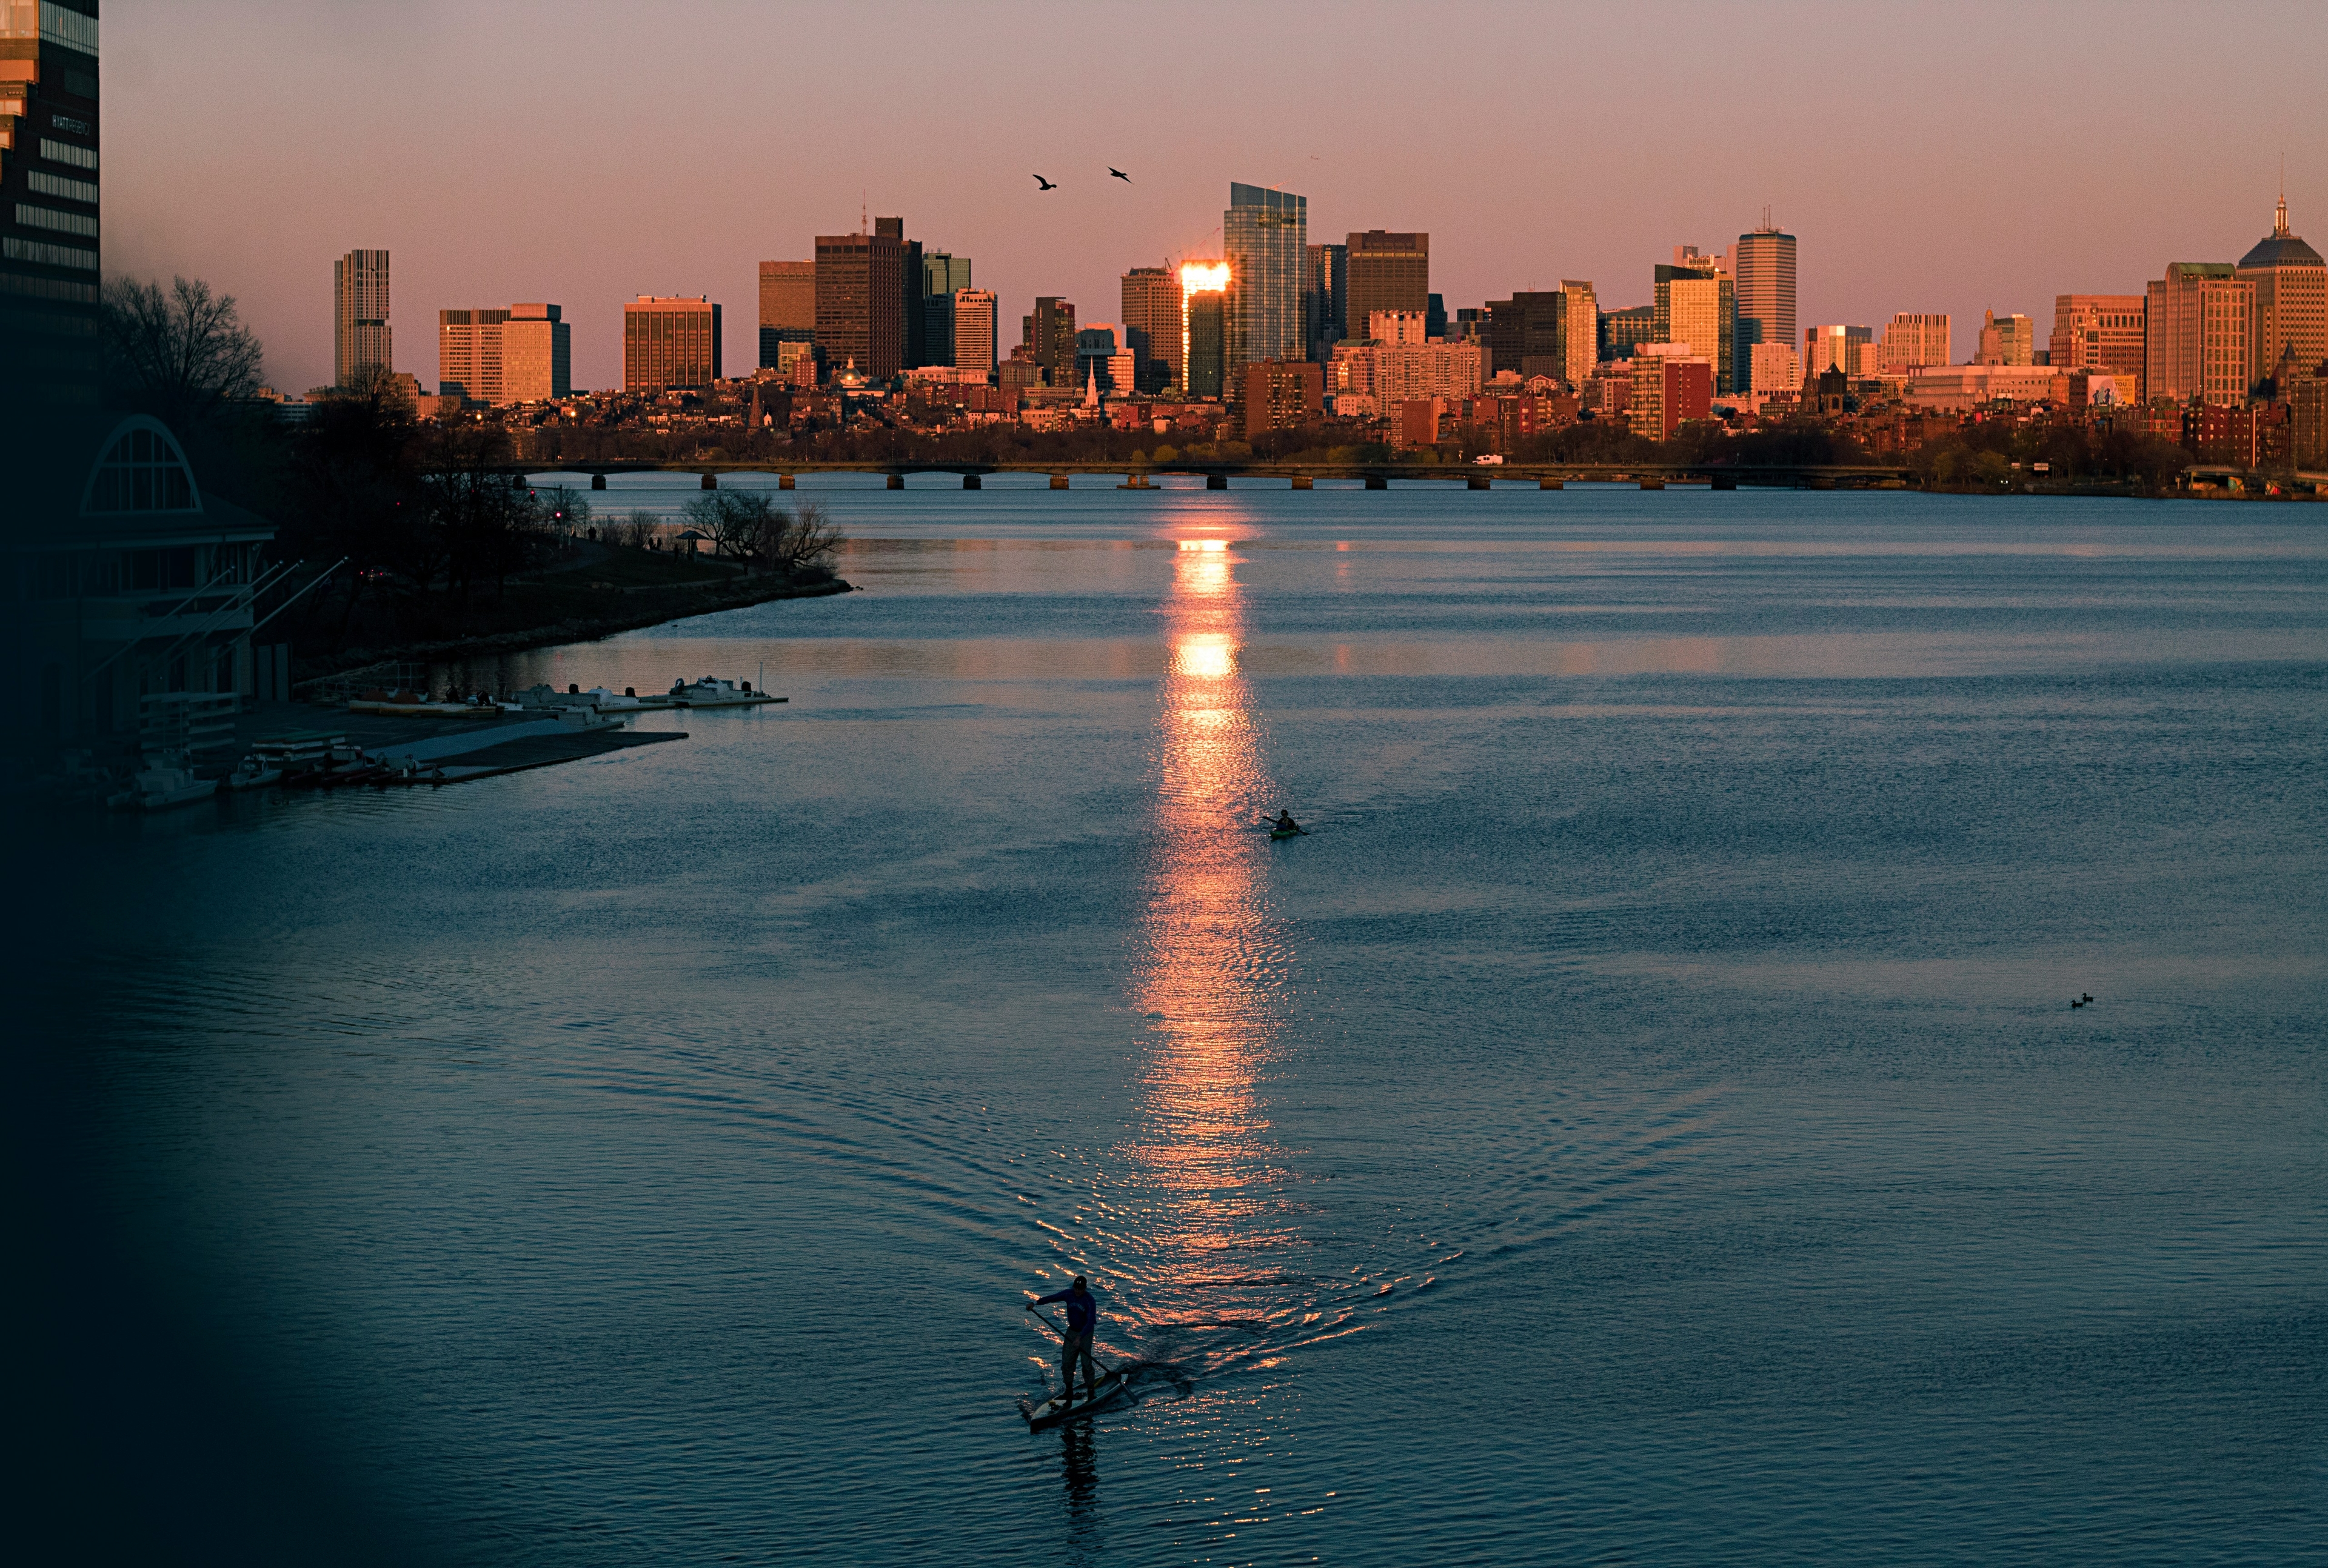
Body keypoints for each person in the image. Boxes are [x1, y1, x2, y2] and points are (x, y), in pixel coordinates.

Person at [1031, 1276, 1100, 1404]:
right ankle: (1069, 1390)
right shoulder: (1069, 1294)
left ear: (1085, 1288)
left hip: (1085, 1333)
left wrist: (1080, 1337)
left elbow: (1090, 1322)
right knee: (1067, 1362)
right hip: (1072, 1331)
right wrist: (1035, 1303)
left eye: (1080, 1289)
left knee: (1086, 1363)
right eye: (1076, 1288)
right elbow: (1052, 1298)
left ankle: (1091, 1390)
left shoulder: (1090, 1300)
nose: (1078, 1291)